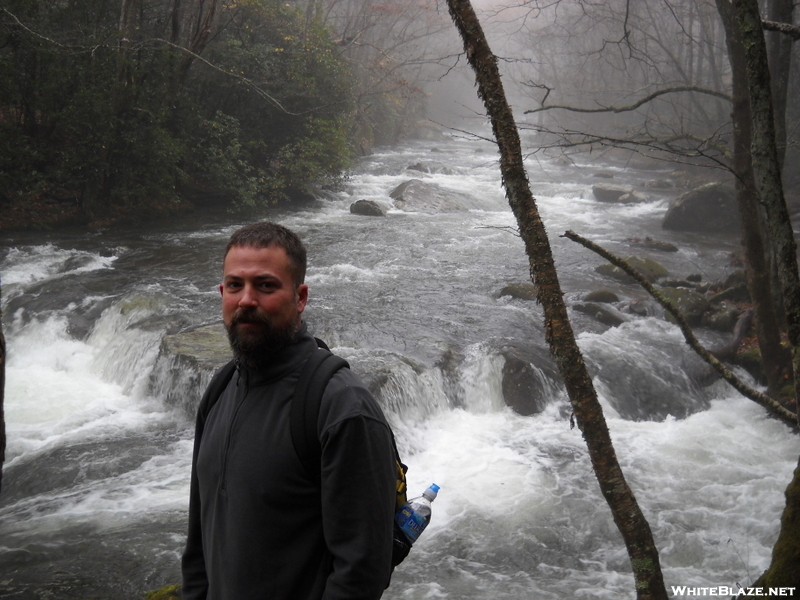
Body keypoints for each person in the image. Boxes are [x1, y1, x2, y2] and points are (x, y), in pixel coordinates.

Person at [181, 221, 397, 600]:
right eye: (235, 285)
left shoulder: (340, 407)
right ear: (222, 294)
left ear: (300, 297)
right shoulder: (219, 389)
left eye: (265, 285)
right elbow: (199, 542)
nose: (247, 300)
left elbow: (361, 573)